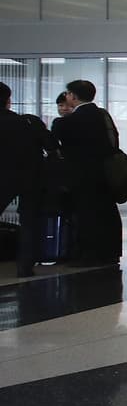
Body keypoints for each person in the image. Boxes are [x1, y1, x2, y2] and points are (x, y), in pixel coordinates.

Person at [51, 79, 121, 266]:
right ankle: (110, 252)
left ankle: (87, 254)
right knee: (106, 212)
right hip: (105, 173)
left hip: (80, 176)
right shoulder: (102, 116)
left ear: (73, 96)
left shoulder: (65, 123)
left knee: (85, 214)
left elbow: (55, 146)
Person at [0, 81, 53, 278]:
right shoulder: (28, 122)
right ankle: (25, 266)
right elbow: (51, 145)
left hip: (3, 177)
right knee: (30, 222)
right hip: (32, 177)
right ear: (8, 101)